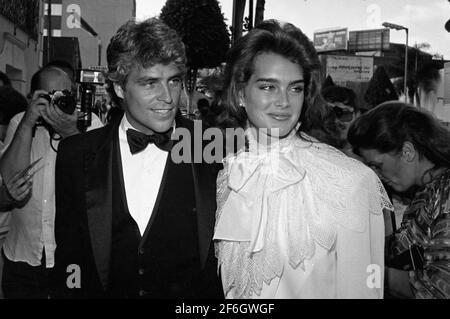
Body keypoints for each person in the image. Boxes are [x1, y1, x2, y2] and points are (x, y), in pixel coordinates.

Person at [212, 19, 392, 299]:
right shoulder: (231, 174)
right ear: (240, 94)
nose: (284, 101)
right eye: (268, 87)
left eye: (295, 88)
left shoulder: (351, 182)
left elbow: (363, 290)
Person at [51, 17, 223, 299]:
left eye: (174, 81)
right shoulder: (76, 154)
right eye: (150, 83)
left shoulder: (212, 146)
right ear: (119, 88)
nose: (167, 97)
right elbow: (70, 257)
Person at [0, 64, 103, 298]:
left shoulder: (90, 123)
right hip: (23, 253)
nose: (57, 104)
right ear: (34, 97)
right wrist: (28, 123)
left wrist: (71, 135)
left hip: (71, 256)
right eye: (49, 96)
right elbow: (10, 180)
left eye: (63, 96)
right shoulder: (21, 122)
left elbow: (98, 183)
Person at [348, 101, 450, 299]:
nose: (376, 174)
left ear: (407, 152)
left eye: (378, 165)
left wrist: (367, 274)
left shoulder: (444, 193)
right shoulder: (427, 188)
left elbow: (440, 288)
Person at [321, 85, 362, 157]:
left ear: (357, 115)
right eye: (329, 115)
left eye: (344, 114)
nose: (336, 121)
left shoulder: (368, 154)